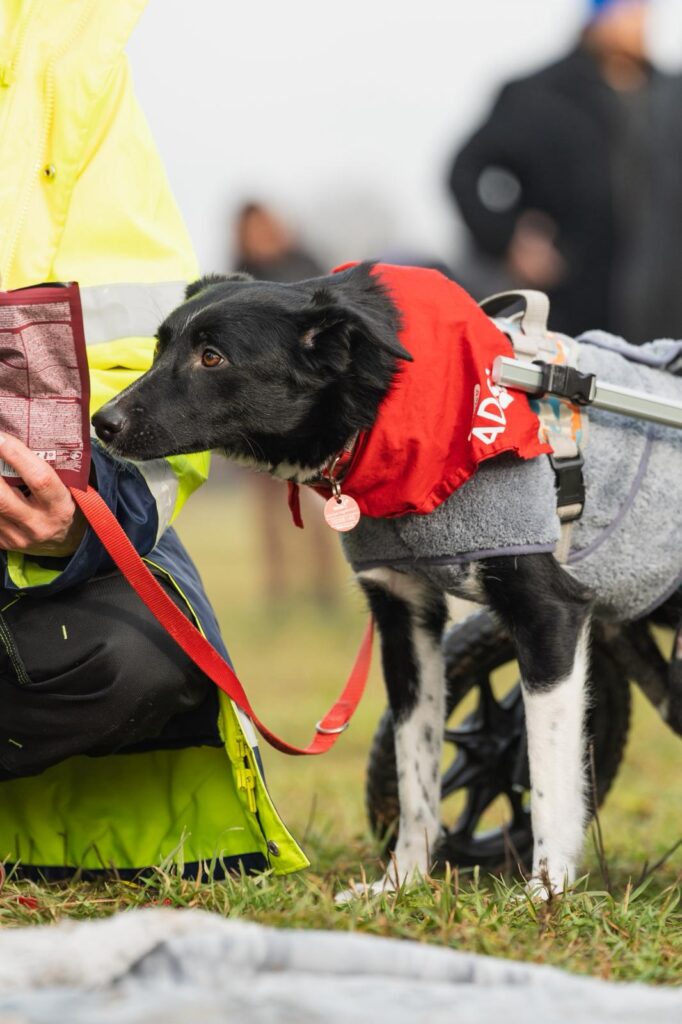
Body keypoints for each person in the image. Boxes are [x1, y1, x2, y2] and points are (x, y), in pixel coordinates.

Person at [0, 1, 306, 880]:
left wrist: (77, 507)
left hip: (20, 554)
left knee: (146, 652)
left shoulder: (75, 65)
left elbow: (139, 351)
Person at [448, 0, 682, 342]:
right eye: (629, 10)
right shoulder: (538, 95)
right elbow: (467, 170)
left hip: (665, 320)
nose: (640, 21)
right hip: (569, 313)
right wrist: (509, 238)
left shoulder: (672, 97)